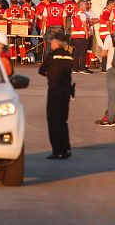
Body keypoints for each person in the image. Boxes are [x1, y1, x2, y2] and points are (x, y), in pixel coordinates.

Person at [38, 32, 74, 160]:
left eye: (52, 42)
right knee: (63, 120)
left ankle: (57, 150)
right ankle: (66, 149)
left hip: (55, 90)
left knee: (53, 120)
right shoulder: (69, 56)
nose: (51, 43)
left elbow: (41, 70)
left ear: (57, 43)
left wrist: (50, 73)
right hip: (66, 90)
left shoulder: (51, 56)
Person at [70, 0, 92, 74]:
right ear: (82, 5)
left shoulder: (74, 13)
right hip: (82, 35)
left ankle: (75, 68)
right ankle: (82, 68)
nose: (86, 6)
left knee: (76, 52)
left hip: (75, 35)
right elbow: (84, 24)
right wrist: (86, 34)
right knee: (83, 52)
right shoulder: (82, 14)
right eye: (85, 5)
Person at [97, 0, 115, 73]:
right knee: (107, 50)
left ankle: (105, 68)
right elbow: (107, 23)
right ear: (110, 4)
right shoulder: (106, 12)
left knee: (107, 50)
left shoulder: (106, 11)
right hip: (106, 33)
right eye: (114, 5)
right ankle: (104, 68)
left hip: (104, 33)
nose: (114, 6)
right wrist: (111, 31)